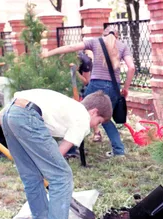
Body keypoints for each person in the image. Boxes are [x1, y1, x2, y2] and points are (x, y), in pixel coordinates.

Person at [0, 89, 112, 219]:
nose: (96, 126)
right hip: (26, 118)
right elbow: (59, 155)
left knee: (31, 176)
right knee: (62, 176)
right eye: (99, 122)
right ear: (94, 111)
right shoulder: (83, 117)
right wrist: (49, 169)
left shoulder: (65, 104)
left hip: (9, 115)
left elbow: (15, 102)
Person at [42, 25, 135, 158]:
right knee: (106, 120)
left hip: (95, 85)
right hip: (114, 88)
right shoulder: (123, 46)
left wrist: (48, 53)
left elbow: (71, 47)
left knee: (78, 115)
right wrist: (125, 88)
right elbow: (131, 68)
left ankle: (70, 148)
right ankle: (119, 151)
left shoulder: (95, 41)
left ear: (104, 34)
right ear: (117, 35)